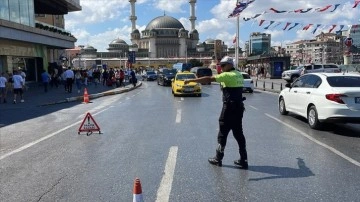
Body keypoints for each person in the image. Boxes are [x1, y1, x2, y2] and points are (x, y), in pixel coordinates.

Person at [184, 56, 248, 169]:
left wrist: (191, 80)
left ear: (229, 65)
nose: (221, 68)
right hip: (239, 108)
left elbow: (209, 79)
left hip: (229, 108)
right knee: (239, 134)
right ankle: (244, 159)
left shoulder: (227, 75)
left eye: (223, 65)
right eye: (220, 66)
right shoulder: (239, 74)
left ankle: (218, 158)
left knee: (222, 133)